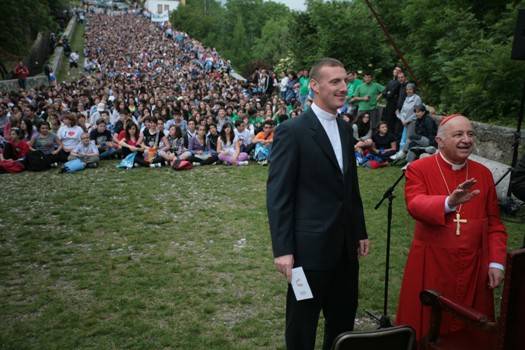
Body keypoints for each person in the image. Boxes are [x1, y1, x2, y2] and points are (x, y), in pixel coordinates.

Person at [267, 58, 369, 350]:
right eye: (335, 82)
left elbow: (350, 186)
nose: (344, 88)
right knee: (302, 323)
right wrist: (283, 249)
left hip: (345, 248)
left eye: (345, 81)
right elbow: (279, 194)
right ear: (314, 86)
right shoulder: (292, 130)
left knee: (342, 322)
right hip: (307, 250)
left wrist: (359, 230)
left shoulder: (345, 129)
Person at [396, 114, 507, 340]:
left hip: (474, 266)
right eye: (458, 134)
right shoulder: (419, 168)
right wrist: (449, 203)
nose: (466, 139)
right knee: (428, 329)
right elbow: (415, 204)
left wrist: (496, 262)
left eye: (470, 134)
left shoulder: (483, 174)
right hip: (433, 264)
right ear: (440, 141)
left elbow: (494, 223)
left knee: (471, 333)